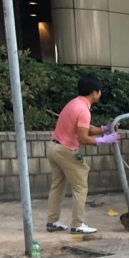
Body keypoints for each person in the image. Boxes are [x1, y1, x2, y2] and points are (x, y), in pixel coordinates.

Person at [46, 74, 119, 235]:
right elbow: (83, 138)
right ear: (95, 92)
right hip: (66, 150)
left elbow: (84, 128)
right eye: (99, 91)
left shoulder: (74, 103)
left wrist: (103, 129)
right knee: (80, 187)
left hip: (53, 147)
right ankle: (77, 224)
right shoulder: (83, 109)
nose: (100, 94)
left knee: (57, 185)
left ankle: (52, 221)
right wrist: (103, 140)